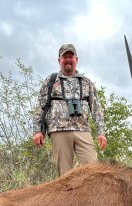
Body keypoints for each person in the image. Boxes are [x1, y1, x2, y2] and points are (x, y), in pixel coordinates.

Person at [33, 43, 107, 176]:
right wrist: (37, 131)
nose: (68, 60)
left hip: (82, 130)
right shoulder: (50, 81)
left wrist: (101, 133)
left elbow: (96, 108)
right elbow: (40, 107)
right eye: (64, 57)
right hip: (58, 131)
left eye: (71, 57)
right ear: (59, 60)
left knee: (94, 172)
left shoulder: (87, 82)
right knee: (65, 176)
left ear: (76, 60)